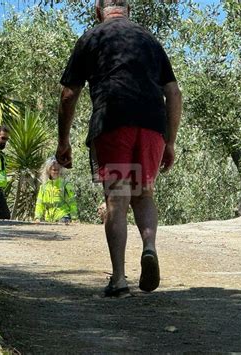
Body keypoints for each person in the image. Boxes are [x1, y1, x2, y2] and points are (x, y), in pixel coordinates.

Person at [56, 0, 182, 297]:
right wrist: (171, 140)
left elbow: (68, 93)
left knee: (117, 197)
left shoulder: (92, 37)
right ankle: (149, 247)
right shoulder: (149, 40)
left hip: (112, 121)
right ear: (128, 11)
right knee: (144, 194)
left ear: (98, 12)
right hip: (152, 125)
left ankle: (119, 279)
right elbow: (174, 92)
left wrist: (63, 140)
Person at [34, 157, 78, 224]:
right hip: (49, 219)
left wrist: (74, 217)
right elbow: (40, 203)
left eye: (58, 169)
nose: (56, 172)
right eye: (54, 170)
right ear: (49, 170)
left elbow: (72, 202)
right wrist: (37, 217)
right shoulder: (43, 187)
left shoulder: (65, 184)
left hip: (64, 217)